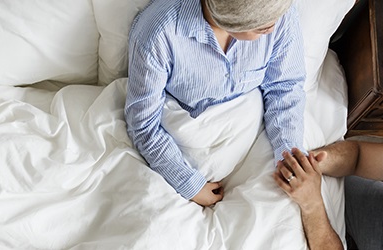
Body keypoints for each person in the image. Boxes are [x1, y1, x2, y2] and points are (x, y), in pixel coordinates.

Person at [126, 0, 306, 207]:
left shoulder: (280, 10)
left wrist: (290, 156)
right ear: (232, 21)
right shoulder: (159, 33)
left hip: (253, 130)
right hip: (185, 138)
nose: (274, 28)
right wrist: (189, 183)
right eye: (262, 28)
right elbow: (143, 124)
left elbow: (285, 87)